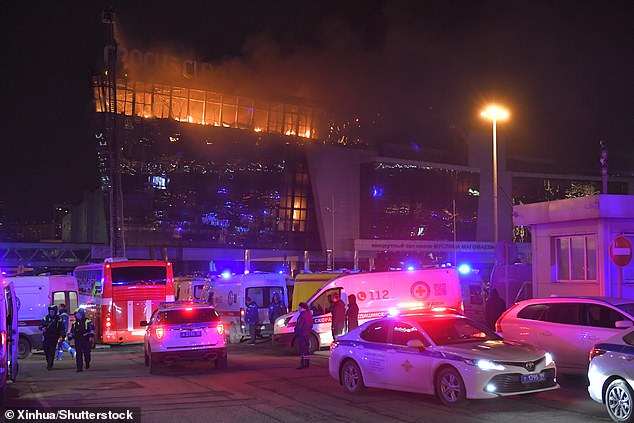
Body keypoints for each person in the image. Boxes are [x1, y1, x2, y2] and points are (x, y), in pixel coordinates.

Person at [39, 305, 65, 370]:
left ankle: (50, 365)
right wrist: (42, 328)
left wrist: (62, 335)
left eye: (53, 311)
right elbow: (40, 325)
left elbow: (61, 328)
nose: (51, 313)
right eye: (50, 311)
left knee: (52, 351)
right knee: (46, 350)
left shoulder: (58, 319)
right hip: (46, 337)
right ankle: (48, 361)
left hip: (54, 337)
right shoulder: (46, 318)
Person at [69, 308, 95, 372]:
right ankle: (79, 367)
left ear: (81, 314)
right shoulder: (74, 323)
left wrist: (91, 336)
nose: (77, 316)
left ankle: (87, 362)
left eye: (78, 314)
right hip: (78, 340)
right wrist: (70, 337)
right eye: (76, 314)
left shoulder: (87, 321)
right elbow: (72, 332)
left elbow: (91, 330)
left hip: (86, 340)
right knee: (78, 354)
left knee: (87, 353)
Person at [295, 302, 312, 369]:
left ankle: (303, 364)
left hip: (301, 334)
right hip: (307, 334)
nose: (298, 308)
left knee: (302, 349)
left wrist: (295, 329)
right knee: (306, 349)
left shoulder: (302, 316)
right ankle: (307, 363)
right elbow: (311, 325)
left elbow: (299, 326)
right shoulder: (309, 315)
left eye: (299, 307)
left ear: (302, 308)